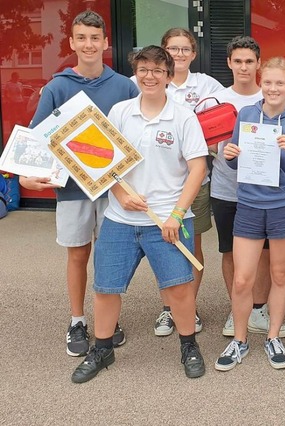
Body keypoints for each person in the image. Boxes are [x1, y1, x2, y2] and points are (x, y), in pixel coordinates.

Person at [71, 45, 208, 383]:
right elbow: (104, 163)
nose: (150, 76)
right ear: (137, 73)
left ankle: (188, 345)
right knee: (106, 288)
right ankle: (102, 349)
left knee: (179, 289)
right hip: (120, 219)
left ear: (168, 74)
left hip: (169, 221)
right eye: (144, 69)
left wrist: (177, 214)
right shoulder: (120, 112)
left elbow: (197, 168)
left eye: (157, 70)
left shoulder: (183, 117)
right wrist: (119, 192)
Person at [21, 11, 138, 357]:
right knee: (78, 254)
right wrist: (26, 174)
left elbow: (135, 136)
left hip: (112, 187)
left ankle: (107, 317)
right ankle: (77, 319)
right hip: (71, 188)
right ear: (72, 43)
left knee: (108, 254)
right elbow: (36, 138)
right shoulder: (57, 87)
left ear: (106, 43)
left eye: (95, 38)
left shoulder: (124, 86)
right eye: (82, 38)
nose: (89, 44)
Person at [215, 56, 285, 371]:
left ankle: (273, 336)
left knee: (280, 274)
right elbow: (236, 160)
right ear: (261, 82)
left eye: (279, 83)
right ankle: (240, 340)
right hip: (250, 204)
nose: (273, 88)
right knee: (243, 279)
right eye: (268, 82)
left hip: (284, 206)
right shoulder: (247, 113)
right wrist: (230, 155)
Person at [209, 36, 285, 339]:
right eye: (238, 61)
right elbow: (202, 143)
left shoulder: (273, 93)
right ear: (229, 63)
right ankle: (238, 312)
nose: (244, 67)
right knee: (232, 254)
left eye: (249, 61)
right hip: (226, 189)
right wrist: (221, 151)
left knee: (266, 257)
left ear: (258, 64)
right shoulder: (216, 99)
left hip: (267, 196)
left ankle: (259, 310)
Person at [139, 28, 223, 337]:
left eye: (185, 49)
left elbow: (235, 109)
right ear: (163, 52)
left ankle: (188, 306)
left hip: (194, 182)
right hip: (155, 185)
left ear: (194, 53)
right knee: (161, 247)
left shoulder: (207, 85)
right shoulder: (148, 82)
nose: (179, 54)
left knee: (190, 246)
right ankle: (167, 309)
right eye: (173, 49)